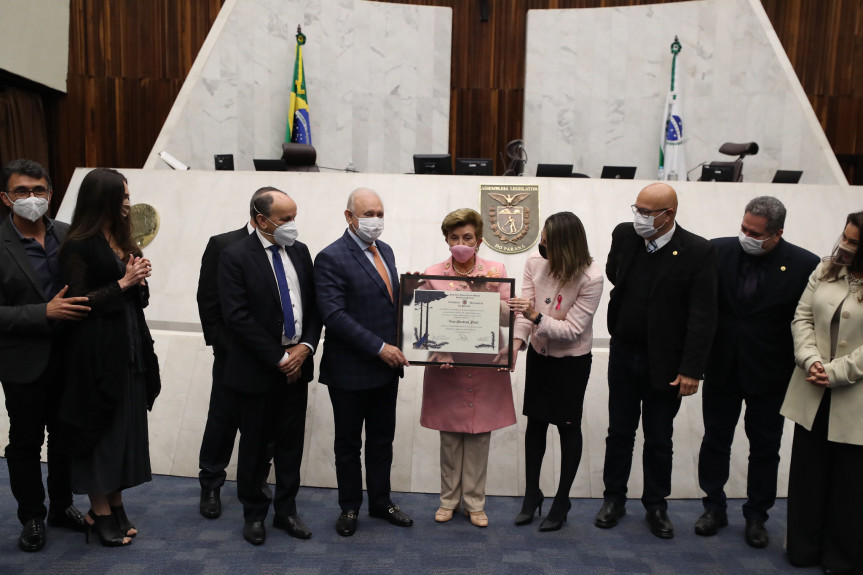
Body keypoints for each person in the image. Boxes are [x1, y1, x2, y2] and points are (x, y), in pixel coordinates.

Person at [595, 182, 717, 539]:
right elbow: (614, 272)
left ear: (669, 215)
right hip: (624, 352)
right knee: (619, 431)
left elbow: (703, 315)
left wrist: (692, 368)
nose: (639, 218)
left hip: (666, 361)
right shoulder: (625, 235)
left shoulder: (697, 251)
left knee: (659, 436)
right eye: (637, 209)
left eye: (647, 213)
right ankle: (613, 498)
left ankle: (656, 505)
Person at [696, 197, 818, 548]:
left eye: (755, 233)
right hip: (721, 367)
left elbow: (806, 320)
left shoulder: (803, 264)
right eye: (744, 228)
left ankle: (757, 516)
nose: (746, 236)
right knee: (715, 440)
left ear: (777, 234)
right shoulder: (718, 251)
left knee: (765, 448)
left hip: (770, 373)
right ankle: (713, 507)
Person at [59, 168, 160, 547]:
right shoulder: (78, 244)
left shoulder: (123, 240)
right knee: (101, 434)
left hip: (131, 348)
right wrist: (123, 283)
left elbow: (137, 300)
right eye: (122, 196)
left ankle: (115, 506)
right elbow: (77, 303)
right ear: (101, 198)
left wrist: (139, 282)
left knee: (124, 433)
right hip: (95, 353)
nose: (128, 203)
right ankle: (98, 513)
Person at [218, 188, 321, 545]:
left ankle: (286, 511)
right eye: (286, 219)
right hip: (258, 369)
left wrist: (305, 347)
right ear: (261, 220)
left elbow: (313, 306)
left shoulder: (301, 251)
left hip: (298, 366)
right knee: (255, 446)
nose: (293, 226)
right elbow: (237, 317)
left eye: (295, 217)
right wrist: (280, 358)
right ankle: (255, 514)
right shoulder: (234, 256)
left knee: (291, 444)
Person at [0, 159, 90, 552]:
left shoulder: (70, 235)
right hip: (23, 361)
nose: (31, 198)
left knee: (66, 436)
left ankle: (62, 506)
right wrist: (43, 312)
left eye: (39, 190)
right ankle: (32, 516)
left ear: (51, 195)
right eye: (22, 191)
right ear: (6, 198)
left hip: (71, 358)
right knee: (25, 442)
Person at [314, 187, 413, 537]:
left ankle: (382, 502)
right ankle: (350, 507)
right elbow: (334, 315)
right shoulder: (330, 257)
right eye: (368, 213)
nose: (375, 220)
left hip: (386, 370)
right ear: (349, 216)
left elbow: (392, 303)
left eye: (380, 213)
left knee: (382, 441)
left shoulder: (384, 250)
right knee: (348, 445)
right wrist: (379, 347)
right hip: (350, 371)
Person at [418, 208, 516, 528]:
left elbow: (508, 318)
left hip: (485, 367)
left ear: (479, 240)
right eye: (455, 237)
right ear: (447, 240)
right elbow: (423, 320)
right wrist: (437, 350)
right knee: (450, 438)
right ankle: (448, 501)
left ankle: (475, 503)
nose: (461, 243)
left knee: (479, 437)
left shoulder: (496, 269)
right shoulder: (432, 272)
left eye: (468, 237)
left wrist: (482, 292)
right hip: (446, 368)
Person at [509, 211, 604, 531]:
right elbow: (524, 309)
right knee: (535, 424)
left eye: (547, 243)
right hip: (540, 354)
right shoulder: (535, 263)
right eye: (541, 241)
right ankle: (532, 495)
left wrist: (535, 317)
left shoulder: (591, 277)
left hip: (571, 362)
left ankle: (562, 501)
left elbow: (573, 330)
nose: (541, 247)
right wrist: (517, 342)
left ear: (564, 246)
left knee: (567, 427)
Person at [781, 211, 863, 573]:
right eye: (844, 237)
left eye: (854, 242)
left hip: (854, 396)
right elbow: (802, 317)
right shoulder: (826, 269)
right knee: (808, 475)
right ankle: (803, 548)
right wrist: (809, 359)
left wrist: (836, 373)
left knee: (851, 484)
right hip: (812, 389)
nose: (844, 246)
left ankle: (842, 557)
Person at [196, 191, 263, 520]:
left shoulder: (289, 248)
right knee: (222, 421)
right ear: (259, 215)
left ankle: (257, 483)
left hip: (270, 356)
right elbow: (208, 301)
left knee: (262, 424)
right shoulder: (223, 244)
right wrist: (222, 346)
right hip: (232, 354)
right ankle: (210, 485)